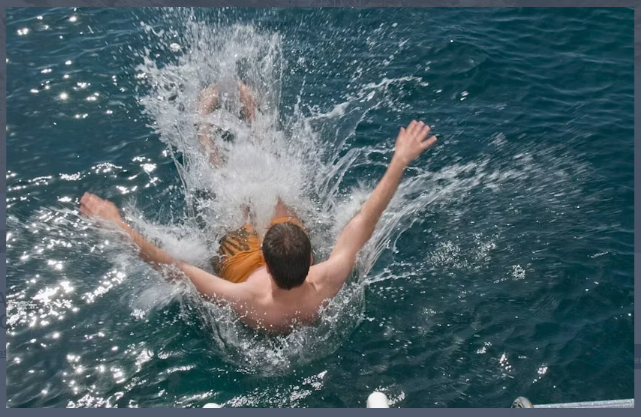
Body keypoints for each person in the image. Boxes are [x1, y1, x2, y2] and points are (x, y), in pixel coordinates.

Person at [79, 82, 437, 334]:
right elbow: (364, 222)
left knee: (237, 205)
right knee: (277, 197)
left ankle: (205, 131)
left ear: (265, 259)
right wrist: (399, 160)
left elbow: (173, 268)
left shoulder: (244, 298)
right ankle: (254, 118)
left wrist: (116, 224)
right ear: (311, 256)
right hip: (290, 277)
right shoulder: (327, 281)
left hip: (240, 266)